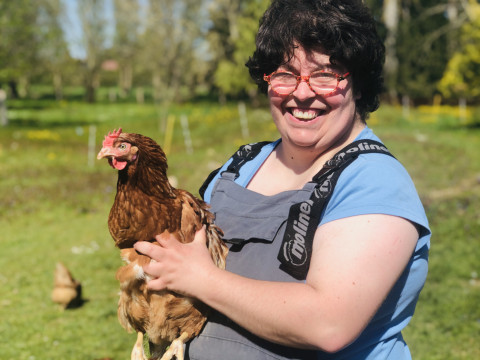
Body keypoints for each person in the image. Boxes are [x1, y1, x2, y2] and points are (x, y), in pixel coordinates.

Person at [134, 0, 430, 359]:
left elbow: (329, 324)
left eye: (325, 74)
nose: (302, 93)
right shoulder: (240, 164)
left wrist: (202, 280)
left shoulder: (374, 180)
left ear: (360, 83)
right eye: (286, 74)